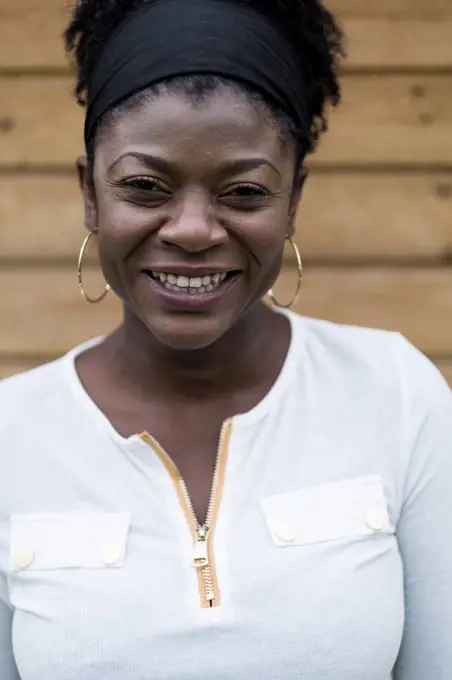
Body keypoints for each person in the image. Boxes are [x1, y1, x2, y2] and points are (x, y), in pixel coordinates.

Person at [1, 0, 451, 678]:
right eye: (145, 187)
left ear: (293, 198)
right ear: (91, 196)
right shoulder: (12, 434)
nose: (191, 229)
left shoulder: (394, 393)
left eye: (243, 192)